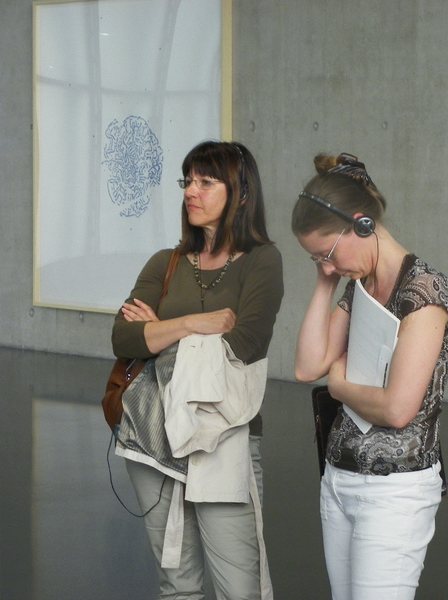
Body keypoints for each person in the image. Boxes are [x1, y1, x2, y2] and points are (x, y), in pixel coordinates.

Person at [111, 140, 283, 600]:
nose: (191, 191)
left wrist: (159, 331)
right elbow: (123, 338)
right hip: (153, 436)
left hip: (225, 437)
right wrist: (193, 324)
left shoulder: (263, 261)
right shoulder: (164, 262)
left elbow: (243, 346)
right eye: (188, 181)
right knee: (177, 585)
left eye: (206, 182)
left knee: (240, 590)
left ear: (241, 194)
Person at [292, 153, 448, 600]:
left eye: (328, 254)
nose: (328, 266)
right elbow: (307, 366)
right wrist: (326, 280)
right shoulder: (360, 285)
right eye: (316, 259)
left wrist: (339, 385)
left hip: (395, 492)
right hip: (339, 478)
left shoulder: (425, 293)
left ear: (362, 224)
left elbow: (398, 409)